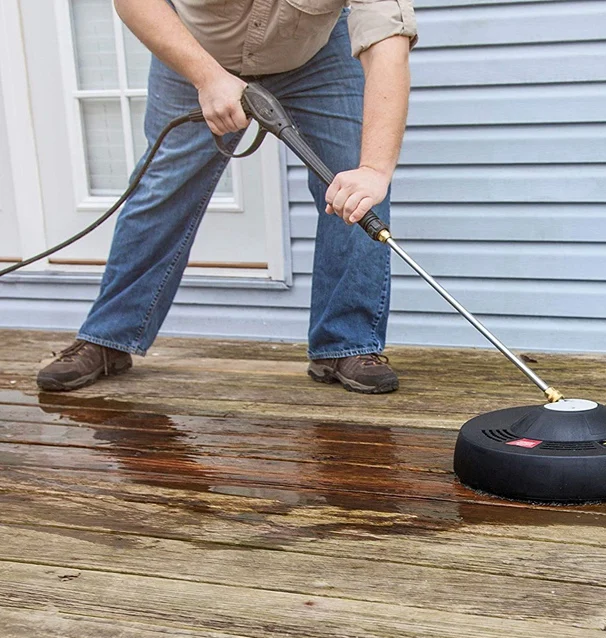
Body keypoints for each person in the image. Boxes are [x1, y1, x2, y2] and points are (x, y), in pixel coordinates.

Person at [36, 0, 417, 395]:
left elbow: (388, 42)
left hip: (314, 51)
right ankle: (107, 338)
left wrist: (374, 170)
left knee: (355, 183)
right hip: (196, 47)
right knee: (163, 189)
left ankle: (346, 344)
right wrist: (207, 77)